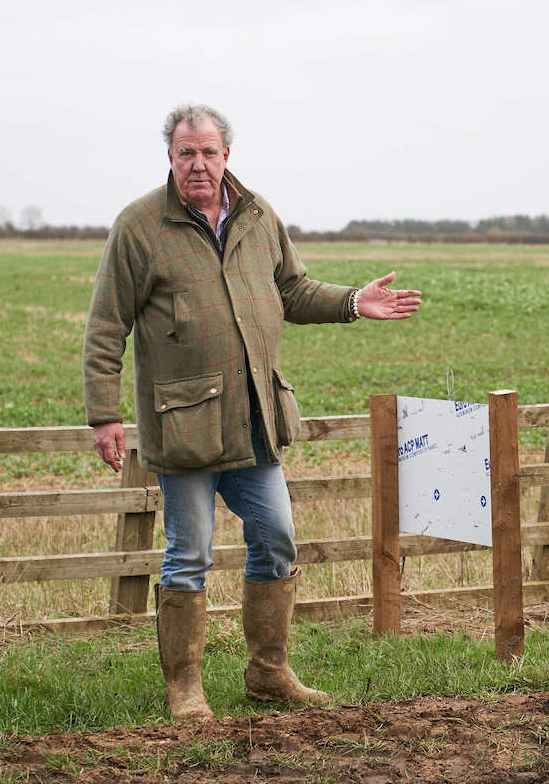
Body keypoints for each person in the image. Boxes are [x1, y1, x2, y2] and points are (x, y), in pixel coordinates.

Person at [83, 103, 421, 721]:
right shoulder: (138, 226)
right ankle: (184, 687)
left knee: (278, 540)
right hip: (181, 427)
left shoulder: (258, 216)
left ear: (226, 156)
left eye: (209, 152)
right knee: (189, 554)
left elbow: (290, 290)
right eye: (186, 153)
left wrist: (353, 302)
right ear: (169, 157)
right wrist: (104, 415)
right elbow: (107, 325)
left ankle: (268, 673)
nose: (198, 164)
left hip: (254, 420)